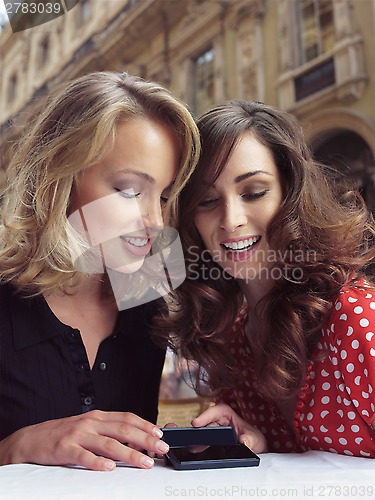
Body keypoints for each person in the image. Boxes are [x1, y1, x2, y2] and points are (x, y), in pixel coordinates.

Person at [0, 71, 200, 470]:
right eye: (128, 190)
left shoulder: (151, 308)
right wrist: (14, 449)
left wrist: (182, 443)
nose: (155, 223)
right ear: (60, 176)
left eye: (162, 196)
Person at [154, 100, 375, 458]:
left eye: (254, 192)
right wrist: (257, 440)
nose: (231, 219)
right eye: (207, 200)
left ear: (291, 195)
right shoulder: (235, 339)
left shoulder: (356, 318)